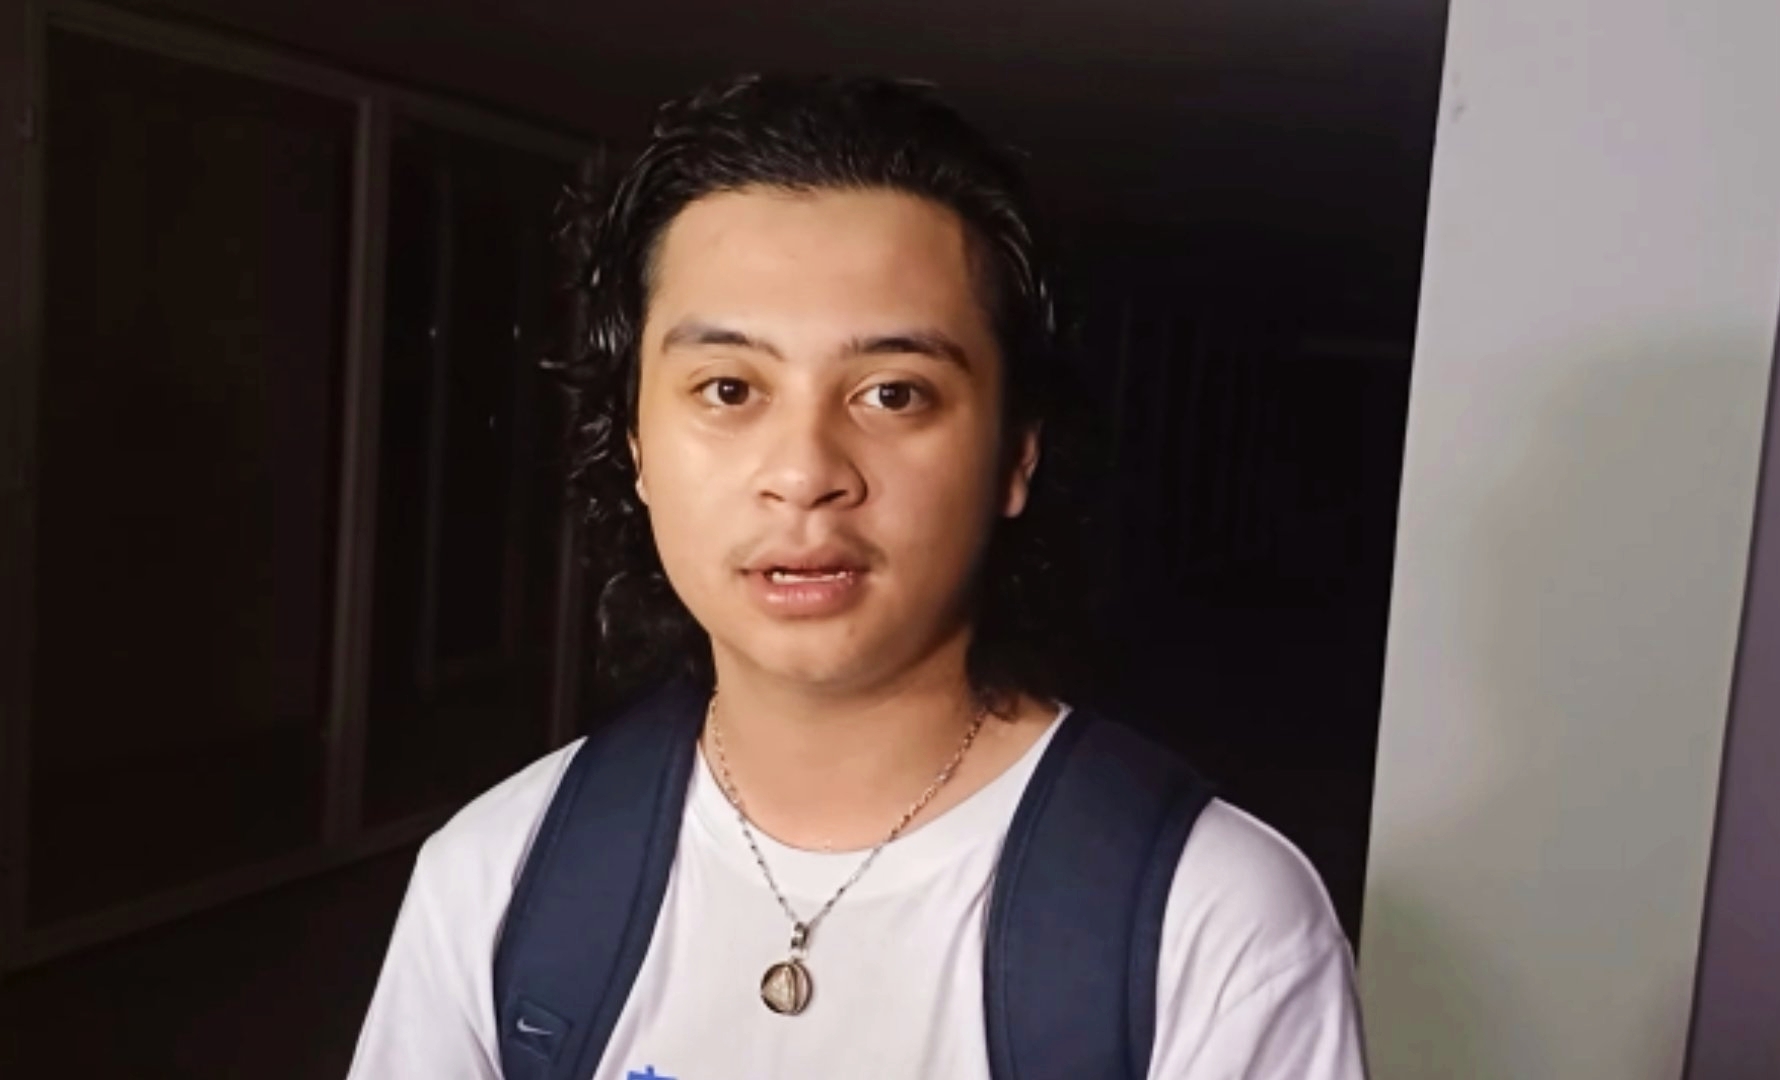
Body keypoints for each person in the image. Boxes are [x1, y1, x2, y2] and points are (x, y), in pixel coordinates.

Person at [347, 73, 1365, 1079]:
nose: (805, 474)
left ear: (1016, 454)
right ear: (638, 448)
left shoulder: (1212, 923)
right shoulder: (496, 877)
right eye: (728, 388)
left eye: (893, 393)